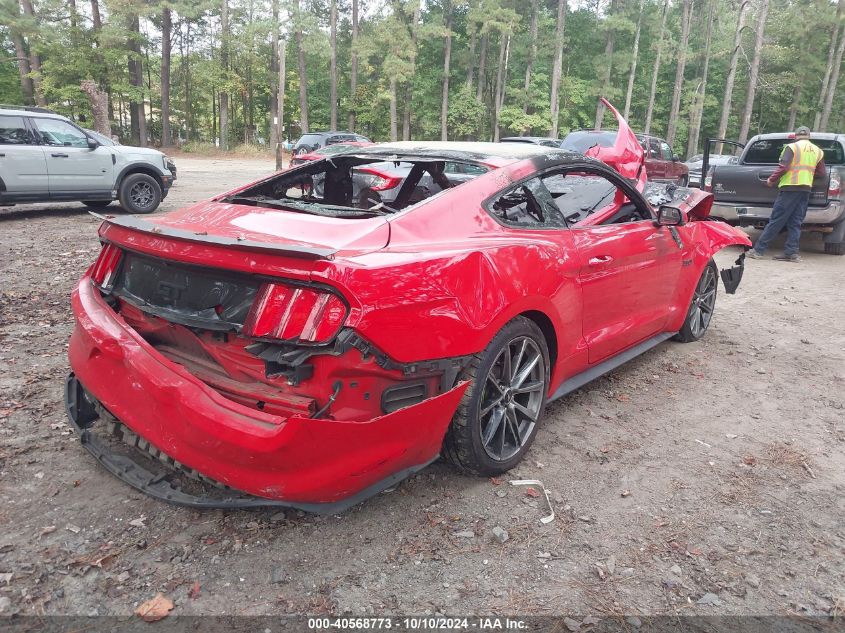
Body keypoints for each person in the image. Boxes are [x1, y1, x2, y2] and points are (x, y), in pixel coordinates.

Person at [747, 126, 826, 262]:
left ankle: (758, 250)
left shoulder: (792, 147)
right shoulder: (818, 151)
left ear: (796, 136)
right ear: (808, 136)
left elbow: (784, 167)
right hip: (805, 188)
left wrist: (772, 179)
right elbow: (821, 173)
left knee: (777, 220)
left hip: (790, 187)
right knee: (795, 222)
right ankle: (791, 253)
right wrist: (807, 174)